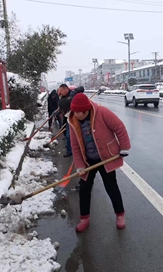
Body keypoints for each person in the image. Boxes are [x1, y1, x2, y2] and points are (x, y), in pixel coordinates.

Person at [68, 93, 131, 232]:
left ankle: (120, 215)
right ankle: (84, 218)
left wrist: (124, 147)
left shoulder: (102, 112)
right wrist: (79, 166)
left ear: (87, 110)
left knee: (111, 187)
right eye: (75, 112)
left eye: (80, 113)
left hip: (106, 157)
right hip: (88, 160)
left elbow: (119, 127)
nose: (77, 115)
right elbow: (75, 146)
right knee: (84, 189)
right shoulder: (72, 120)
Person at [53, 84, 84, 157]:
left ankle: (73, 150)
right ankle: (70, 149)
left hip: (76, 118)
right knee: (68, 135)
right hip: (68, 118)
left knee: (71, 135)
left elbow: (82, 88)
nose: (60, 92)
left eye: (61, 91)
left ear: (65, 89)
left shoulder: (72, 94)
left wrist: (74, 91)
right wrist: (56, 112)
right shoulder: (62, 98)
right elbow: (61, 109)